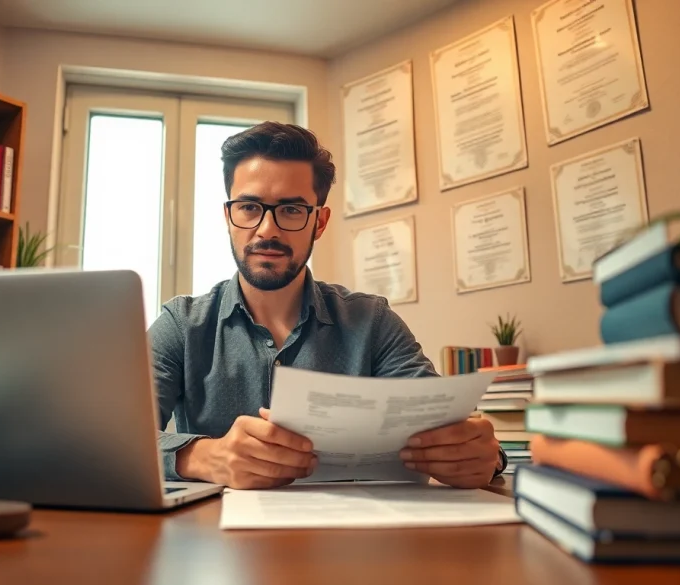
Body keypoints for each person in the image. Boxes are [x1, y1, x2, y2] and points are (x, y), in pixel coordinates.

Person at [148, 122, 505, 490]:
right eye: (250, 207)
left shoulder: (372, 323)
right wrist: (207, 456)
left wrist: (483, 457)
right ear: (228, 218)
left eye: (290, 210)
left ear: (319, 222)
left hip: (352, 542)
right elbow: (117, 439)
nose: (267, 229)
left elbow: (444, 429)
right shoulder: (181, 326)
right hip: (210, 540)